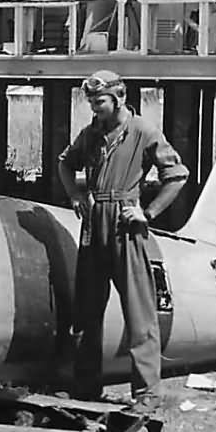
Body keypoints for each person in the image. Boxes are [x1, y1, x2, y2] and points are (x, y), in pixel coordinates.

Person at [58, 70, 188, 410]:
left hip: (126, 226)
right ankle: (85, 387)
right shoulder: (91, 134)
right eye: (90, 102)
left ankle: (146, 395)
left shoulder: (143, 131)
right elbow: (65, 164)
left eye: (99, 102)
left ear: (119, 98)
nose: (94, 108)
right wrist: (75, 196)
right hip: (94, 222)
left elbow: (177, 175)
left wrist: (148, 212)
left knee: (139, 314)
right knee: (86, 312)